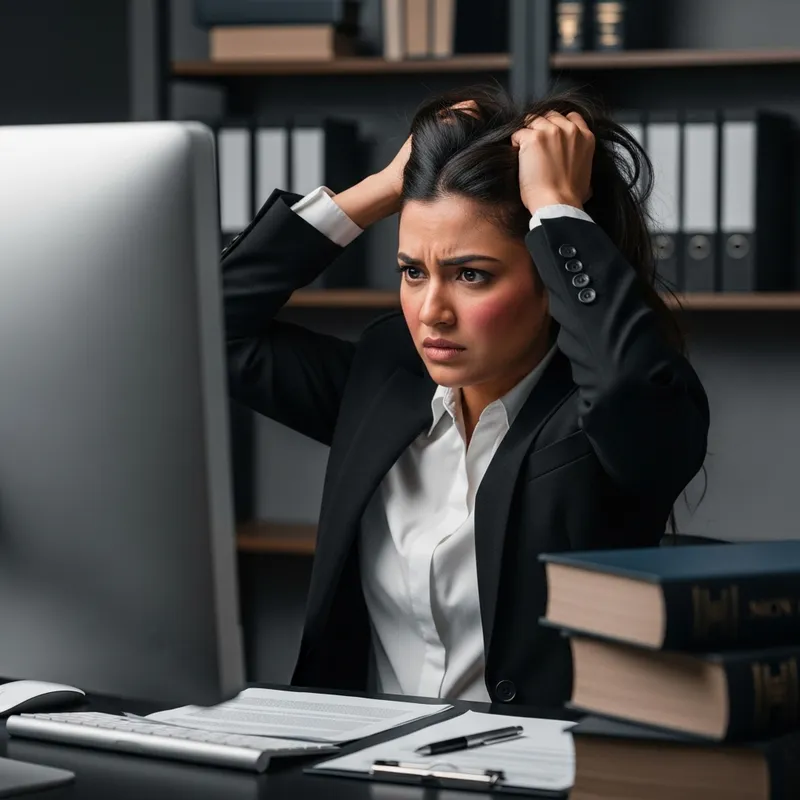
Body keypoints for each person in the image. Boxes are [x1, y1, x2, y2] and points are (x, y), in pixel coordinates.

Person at [221, 85, 710, 708]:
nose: (431, 313)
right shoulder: (385, 381)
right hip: (356, 768)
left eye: (471, 274)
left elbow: (628, 391)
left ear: (549, 282)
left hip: (540, 774)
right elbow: (212, 327)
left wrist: (557, 208)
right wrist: (382, 188)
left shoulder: (607, 418)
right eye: (413, 271)